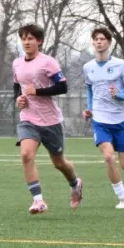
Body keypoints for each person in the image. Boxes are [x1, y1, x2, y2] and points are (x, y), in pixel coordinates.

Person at [13, 23, 82, 214]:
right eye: (23, 39)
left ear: (39, 41)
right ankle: (38, 201)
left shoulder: (48, 62)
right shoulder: (17, 63)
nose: (26, 42)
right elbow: (16, 86)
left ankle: (75, 183)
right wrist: (18, 99)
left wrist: (38, 91)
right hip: (28, 118)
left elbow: (63, 87)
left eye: (30, 38)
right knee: (26, 155)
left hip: (51, 120)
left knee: (59, 163)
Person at [82, 27, 124, 209]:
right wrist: (90, 109)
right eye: (96, 39)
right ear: (93, 42)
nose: (98, 41)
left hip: (121, 120)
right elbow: (90, 89)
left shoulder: (120, 65)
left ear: (109, 42)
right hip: (100, 121)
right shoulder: (88, 67)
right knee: (108, 157)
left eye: (102, 39)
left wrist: (119, 95)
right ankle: (123, 199)